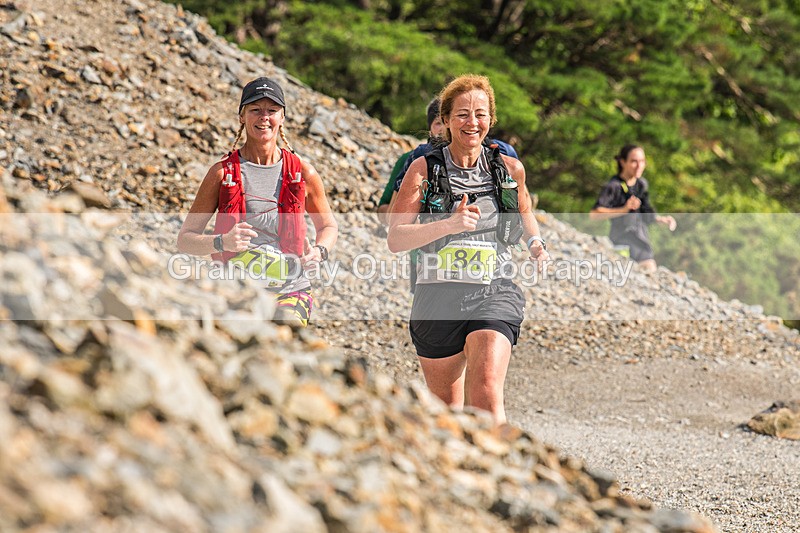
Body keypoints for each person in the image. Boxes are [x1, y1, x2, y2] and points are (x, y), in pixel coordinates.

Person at [387, 74, 548, 424]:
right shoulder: (423, 168)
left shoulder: (508, 168)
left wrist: (535, 243)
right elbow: (396, 238)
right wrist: (449, 224)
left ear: (491, 119)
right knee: (448, 416)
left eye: (480, 113)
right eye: (461, 114)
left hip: (494, 289)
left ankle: (499, 473)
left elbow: (523, 211)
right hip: (437, 297)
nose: (471, 122)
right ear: (444, 121)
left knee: (487, 387)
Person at [177, 77, 338, 326]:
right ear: (242, 116)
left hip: (291, 290)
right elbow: (185, 239)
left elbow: (328, 226)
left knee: (285, 345)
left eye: (272, 111)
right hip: (234, 292)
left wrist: (319, 252)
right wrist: (222, 242)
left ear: (282, 118)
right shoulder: (221, 173)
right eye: (255, 110)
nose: (264, 117)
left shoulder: (304, 173)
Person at [590, 144, 676, 272]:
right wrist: (622, 210)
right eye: (634, 161)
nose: (639, 165)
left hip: (641, 238)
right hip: (621, 240)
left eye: (642, 161)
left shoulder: (641, 184)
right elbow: (594, 214)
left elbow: (644, 212)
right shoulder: (613, 186)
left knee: (649, 271)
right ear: (622, 162)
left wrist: (661, 219)